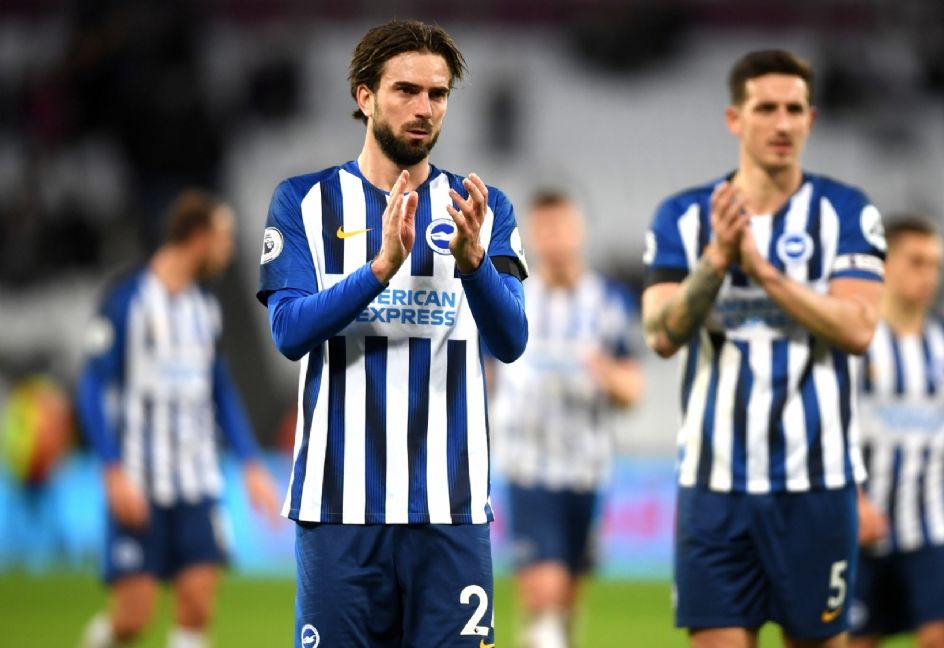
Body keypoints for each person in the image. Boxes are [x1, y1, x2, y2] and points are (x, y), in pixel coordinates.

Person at [256, 19, 528, 648]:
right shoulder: (303, 202)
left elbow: (511, 340)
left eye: (437, 94)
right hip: (339, 509)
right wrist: (379, 269)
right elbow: (289, 332)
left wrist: (474, 264)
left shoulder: (481, 208)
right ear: (365, 96)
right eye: (406, 90)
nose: (424, 108)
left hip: (451, 510)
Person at [642, 49, 887, 648]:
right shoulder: (684, 215)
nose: (782, 123)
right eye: (766, 108)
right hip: (715, 485)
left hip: (817, 484)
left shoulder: (846, 211)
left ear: (811, 119)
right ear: (735, 118)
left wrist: (764, 272)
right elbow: (662, 334)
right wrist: (715, 263)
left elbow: (858, 328)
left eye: (794, 110)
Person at [77, 190, 280, 648]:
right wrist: (111, 470)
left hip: (196, 482)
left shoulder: (204, 307)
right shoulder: (127, 299)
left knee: (197, 607)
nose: (228, 250)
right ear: (198, 238)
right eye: (224, 239)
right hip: (139, 480)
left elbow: (220, 390)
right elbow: (91, 386)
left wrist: (250, 463)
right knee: (133, 617)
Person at [488, 190, 644, 648]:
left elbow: (633, 390)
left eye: (562, 228)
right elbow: (483, 376)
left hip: (587, 471)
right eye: (545, 229)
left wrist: (603, 371)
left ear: (580, 231)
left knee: (565, 607)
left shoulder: (609, 301)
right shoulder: (510, 297)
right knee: (546, 595)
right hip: (528, 469)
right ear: (532, 237)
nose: (555, 239)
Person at [848, 218, 944, 648]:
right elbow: (823, 436)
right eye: (916, 262)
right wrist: (852, 501)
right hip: (861, 530)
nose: (929, 275)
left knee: (938, 639)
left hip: (934, 529)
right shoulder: (852, 346)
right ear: (886, 265)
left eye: (935, 265)